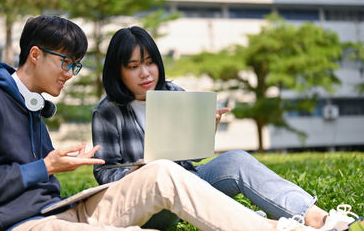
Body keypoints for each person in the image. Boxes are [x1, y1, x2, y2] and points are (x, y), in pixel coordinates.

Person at [0, 15, 301, 231]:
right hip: (21, 223)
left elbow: (189, 163)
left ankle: (287, 227)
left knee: (166, 170)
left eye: (75, 65)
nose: (70, 73)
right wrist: (46, 166)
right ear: (35, 55)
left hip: (60, 210)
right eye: (66, 62)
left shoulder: (32, 107)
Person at [92, 26, 359, 231]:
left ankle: (320, 219)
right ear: (119, 71)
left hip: (191, 184)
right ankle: (249, 221)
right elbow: (103, 173)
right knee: (165, 174)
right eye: (134, 66)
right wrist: (138, 173)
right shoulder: (107, 111)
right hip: (150, 206)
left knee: (236, 160)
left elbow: (191, 158)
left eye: (150, 62)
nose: (146, 73)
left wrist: (206, 130)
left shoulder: (172, 93)